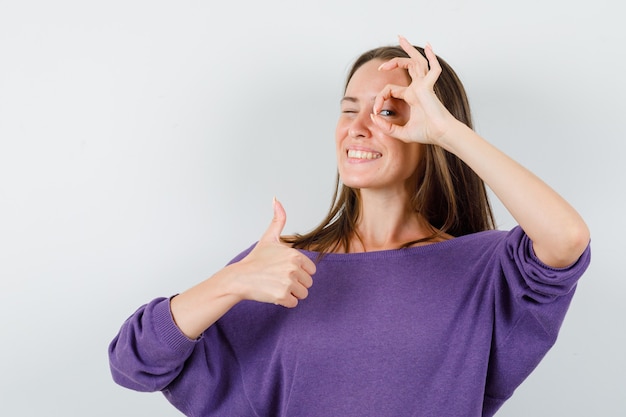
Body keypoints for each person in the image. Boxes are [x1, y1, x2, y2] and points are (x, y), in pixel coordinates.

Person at [109, 36, 590, 416]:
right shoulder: (280, 267)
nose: (357, 127)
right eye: (348, 109)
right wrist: (230, 282)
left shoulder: (484, 269)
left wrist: (448, 131)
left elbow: (567, 238)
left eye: (387, 111)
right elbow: (134, 364)